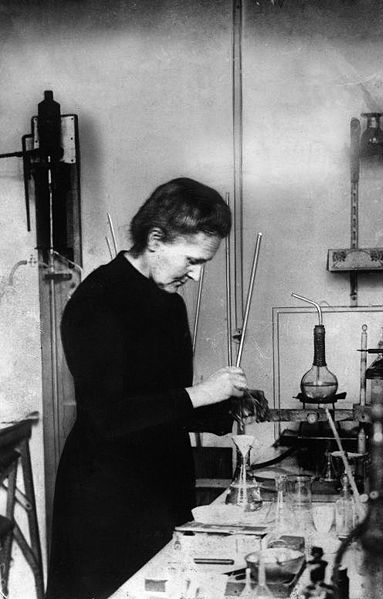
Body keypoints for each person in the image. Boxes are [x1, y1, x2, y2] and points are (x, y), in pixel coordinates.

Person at [46, 178, 248, 599]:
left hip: (163, 490)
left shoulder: (169, 302)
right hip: (106, 504)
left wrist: (225, 408)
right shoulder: (96, 301)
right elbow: (108, 418)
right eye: (192, 260)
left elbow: (165, 403)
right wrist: (202, 393)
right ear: (155, 240)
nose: (196, 274)